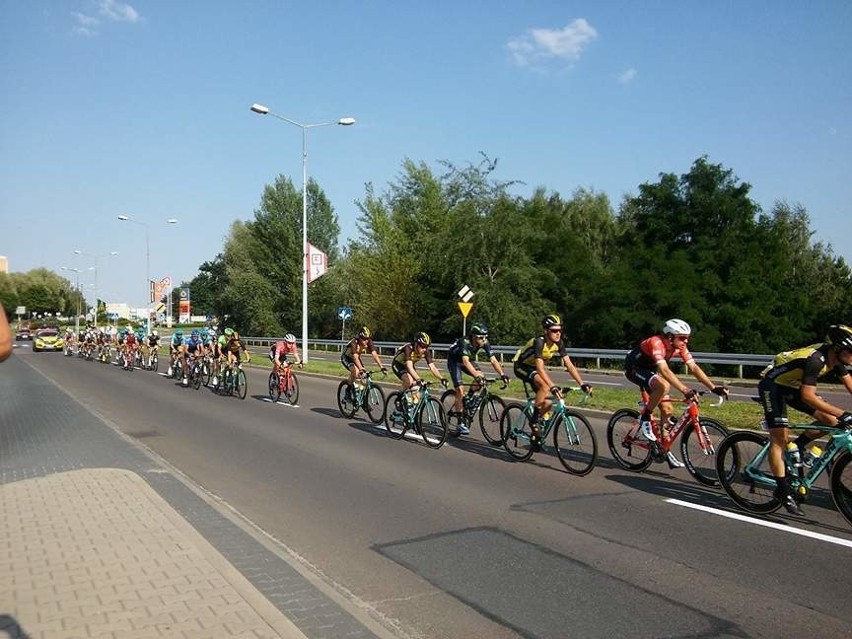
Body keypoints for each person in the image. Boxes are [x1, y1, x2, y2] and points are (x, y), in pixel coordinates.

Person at [758, 324, 852, 515]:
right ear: (838, 348)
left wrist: (839, 416)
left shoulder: (837, 359)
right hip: (773, 387)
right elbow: (809, 396)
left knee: (833, 423)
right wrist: (843, 413)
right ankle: (782, 490)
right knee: (780, 439)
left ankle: (799, 445)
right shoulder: (816, 360)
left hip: (793, 387)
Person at [624, 319, 729, 469]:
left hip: (650, 370)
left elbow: (693, 368)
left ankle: (662, 449)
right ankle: (646, 415)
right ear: (670, 336)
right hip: (634, 368)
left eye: (687, 337)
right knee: (663, 385)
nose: (685, 341)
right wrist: (685, 389)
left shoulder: (680, 347)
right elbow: (665, 371)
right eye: (682, 337)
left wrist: (713, 387)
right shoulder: (656, 342)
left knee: (668, 410)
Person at [513, 314, 592, 447]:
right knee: (545, 386)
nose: (558, 333)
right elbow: (540, 368)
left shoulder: (558, 343)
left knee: (549, 402)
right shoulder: (539, 342)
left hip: (535, 369)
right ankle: (534, 421)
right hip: (522, 366)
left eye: (560, 330)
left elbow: (569, 365)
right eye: (554, 330)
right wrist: (553, 386)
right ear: (546, 330)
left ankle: (536, 434)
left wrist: (582, 383)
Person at [446, 322, 510, 435]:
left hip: (467, 360)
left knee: (482, 377)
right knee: (460, 390)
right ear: (474, 337)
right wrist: (476, 376)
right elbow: (465, 362)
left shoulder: (484, 342)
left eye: (486, 337)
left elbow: (493, 360)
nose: (484, 340)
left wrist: (502, 374)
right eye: (481, 337)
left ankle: (469, 397)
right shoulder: (464, 342)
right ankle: (460, 423)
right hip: (455, 361)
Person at [341, 326, 386, 390]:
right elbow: (355, 358)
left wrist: (381, 367)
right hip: (347, 357)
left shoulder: (368, 341)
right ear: (360, 338)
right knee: (355, 372)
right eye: (364, 339)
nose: (366, 341)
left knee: (364, 376)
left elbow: (375, 355)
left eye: (368, 338)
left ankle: (361, 391)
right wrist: (361, 368)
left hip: (356, 358)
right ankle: (348, 390)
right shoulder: (354, 342)